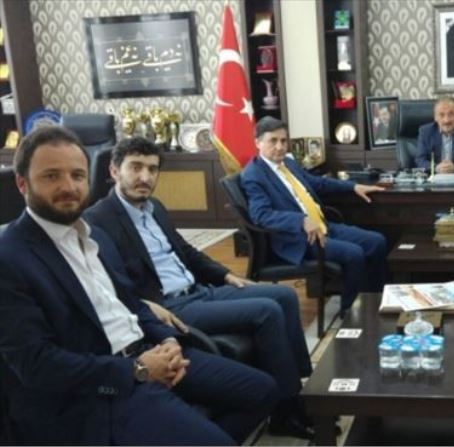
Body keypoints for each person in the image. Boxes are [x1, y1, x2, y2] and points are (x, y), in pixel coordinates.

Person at [0, 126, 277, 445]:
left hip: (148, 351)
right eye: (51, 176)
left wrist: (169, 341)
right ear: (22, 183)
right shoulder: (10, 257)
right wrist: (137, 369)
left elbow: (130, 302)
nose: (69, 186)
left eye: (77, 175)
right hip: (98, 390)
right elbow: (36, 364)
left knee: (264, 391)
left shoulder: (94, 235)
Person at [83, 137, 315, 439]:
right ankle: (287, 410)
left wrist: (225, 275)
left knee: (284, 295)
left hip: (198, 290)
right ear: (115, 171)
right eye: (135, 167)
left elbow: (185, 251)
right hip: (169, 307)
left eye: (152, 169)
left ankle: (298, 390)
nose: (145, 177)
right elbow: (106, 280)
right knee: (267, 310)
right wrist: (145, 303)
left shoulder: (155, 207)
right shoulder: (97, 220)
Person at [241, 117, 387, 314]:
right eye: (273, 141)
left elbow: (318, 183)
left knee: (377, 242)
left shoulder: (288, 163)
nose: (280, 146)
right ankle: (351, 312)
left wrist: (353, 186)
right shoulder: (253, 174)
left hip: (322, 226)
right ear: (257, 143)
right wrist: (300, 220)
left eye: (283, 141)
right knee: (354, 254)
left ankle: (374, 301)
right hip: (299, 238)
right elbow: (261, 215)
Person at [414, 97, 454, 174]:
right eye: (441, 115)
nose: (446, 120)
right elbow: (420, 160)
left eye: (451, 114)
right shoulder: (425, 132)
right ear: (435, 117)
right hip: (433, 178)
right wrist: (435, 168)